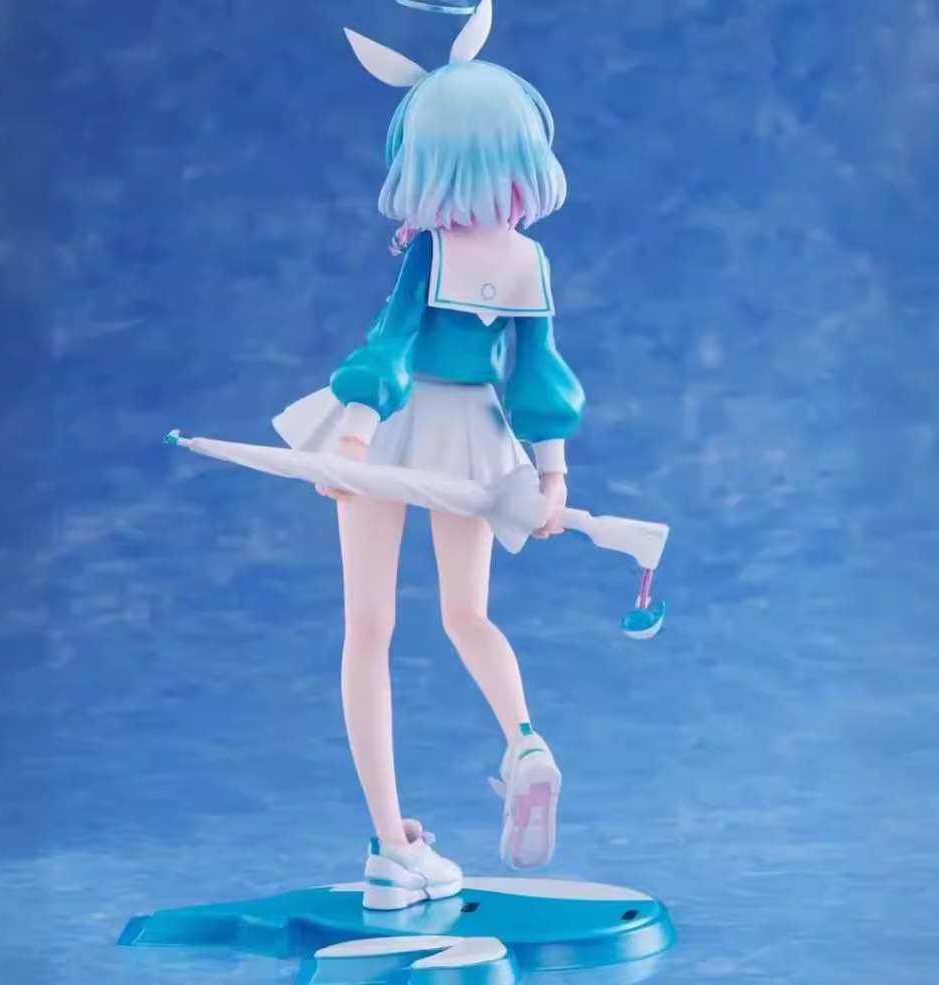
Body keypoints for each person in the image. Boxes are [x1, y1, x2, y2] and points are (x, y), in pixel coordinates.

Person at [273, 0, 585, 910]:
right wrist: (553, 473)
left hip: (396, 424)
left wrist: (353, 437)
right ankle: (523, 737)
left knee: (367, 629)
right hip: (477, 438)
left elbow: (389, 345)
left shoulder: (430, 253)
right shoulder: (527, 262)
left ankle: (389, 845)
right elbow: (538, 375)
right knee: (467, 614)